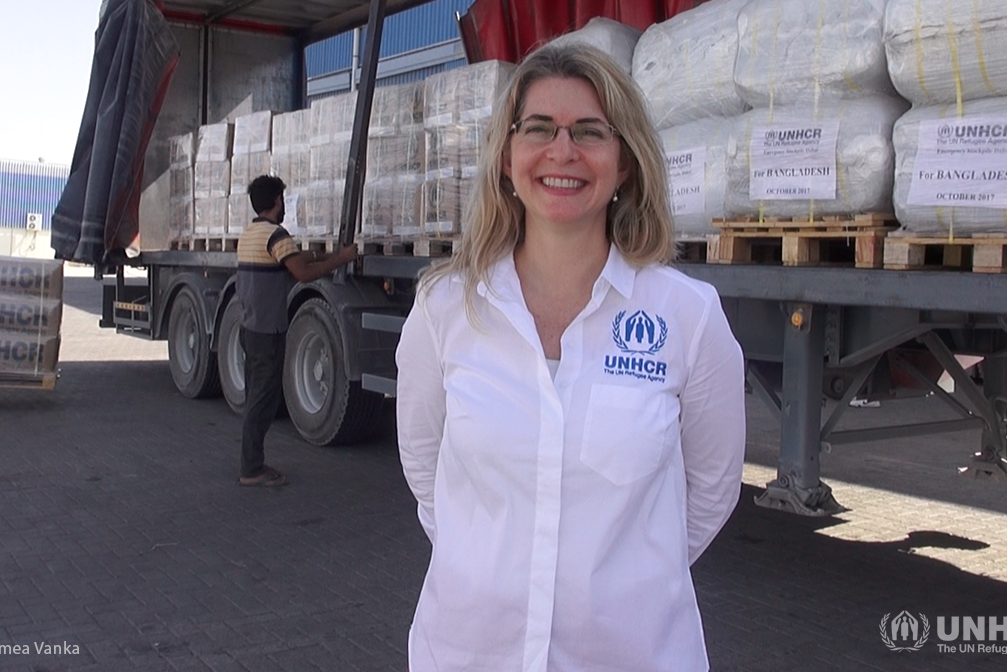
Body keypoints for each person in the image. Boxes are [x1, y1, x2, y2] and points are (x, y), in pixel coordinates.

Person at [395, 45, 746, 671]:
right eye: (538, 129)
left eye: (590, 132)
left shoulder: (687, 318)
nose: (563, 152)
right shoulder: (445, 310)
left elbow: (710, 494)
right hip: (470, 654)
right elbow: (426, 475)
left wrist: (618, 583)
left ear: (626, 164)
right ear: (506, 158)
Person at [237, 175, 356, 487]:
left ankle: (252, 462)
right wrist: (340, 259)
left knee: (254, 398)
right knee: (262, 401)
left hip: (249, 327)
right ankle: (251, 469)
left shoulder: (250, 233)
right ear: (277, 201)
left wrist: (320, 253)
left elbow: (291, 259)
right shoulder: (276, 235)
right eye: (283, 200)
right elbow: (303, 274)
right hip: (267, 330)